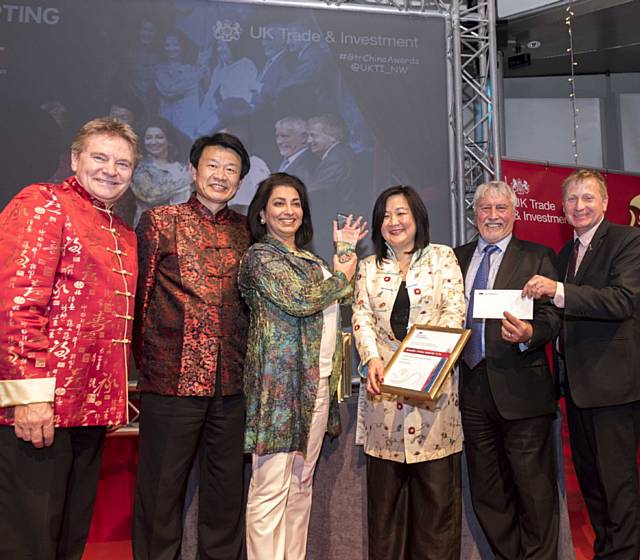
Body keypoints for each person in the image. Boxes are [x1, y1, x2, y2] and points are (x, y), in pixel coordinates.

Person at [0, 117, 139, 559]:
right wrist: (28, 395)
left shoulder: (121, 231)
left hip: (89, 412)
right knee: (29, 540)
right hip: (41, 407)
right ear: (76, 159)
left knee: (69, 536)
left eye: (123, 163)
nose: (111, 170)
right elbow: (17, 302)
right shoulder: (43, 203)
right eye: (100, 157)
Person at [132, 132, 251, 560]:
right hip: (170, 382)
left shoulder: (246, 231)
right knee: (161, 493)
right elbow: (139, 298)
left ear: (240, 181)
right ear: (193, 171)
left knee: (225, 494)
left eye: (231, 170)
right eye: (213, 166)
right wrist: (149, 365)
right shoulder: (159, 221)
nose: (220, 176)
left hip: (231, 385)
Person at [239, 172, 365, 560]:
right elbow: (300, 300)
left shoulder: (309, 259)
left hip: (317, 383)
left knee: (300, 483)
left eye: (295, 203)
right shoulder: (260, 256)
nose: (289, 211)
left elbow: (338, 297)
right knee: (269, 489)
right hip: (278, 388)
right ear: (261, 213)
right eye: (279, 203)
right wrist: (342, 275)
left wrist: (343, 253)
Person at [523, 169, 640, 559]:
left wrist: (557, 290)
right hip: (576, 389)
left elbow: (622, 300)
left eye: (588, 198)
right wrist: (527, 329)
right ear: (562, 208)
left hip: (614, 389)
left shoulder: (628, 240)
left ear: (605, 203)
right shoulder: (566, 254)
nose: (580, 206)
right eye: (572, 199)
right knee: (592, 486)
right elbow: (558, 317)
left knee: (617, 486)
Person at [352, 185, 465, 560]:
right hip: (383, 398)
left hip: (433, 400)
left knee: (436, 511)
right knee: (385, 514)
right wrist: (371, 358)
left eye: (401, 213)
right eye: (385, 215)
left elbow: (453, 312)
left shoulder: (441, 258)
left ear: (417, 217)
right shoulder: (369, 268)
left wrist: (428, 365)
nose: (394, 221)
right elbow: (362, 318)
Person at [454, 180, 561, 560]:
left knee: (535, 493)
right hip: (470, 390)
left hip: (522, 391)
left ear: (514, 214)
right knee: (487, 493)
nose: (493, 216)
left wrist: (531, 332)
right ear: (475, 214)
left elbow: (554, 317)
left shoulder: (538, 256)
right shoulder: (456, 258)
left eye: (501, 208)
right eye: (486, 208)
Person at [130, 119, 192, 226]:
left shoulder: (181, 167)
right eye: (148, 138)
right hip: (151, 229)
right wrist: (186, 180)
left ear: (169, 140)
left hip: (182, 228)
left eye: (159, 137)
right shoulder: (140, 168)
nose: (153, 142)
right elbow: (149, 195)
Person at [274, 116, 316, 186]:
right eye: (277, 136)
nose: (279, 141)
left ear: (303, 138)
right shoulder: (281, 161)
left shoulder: (309, 163)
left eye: (285, 136)